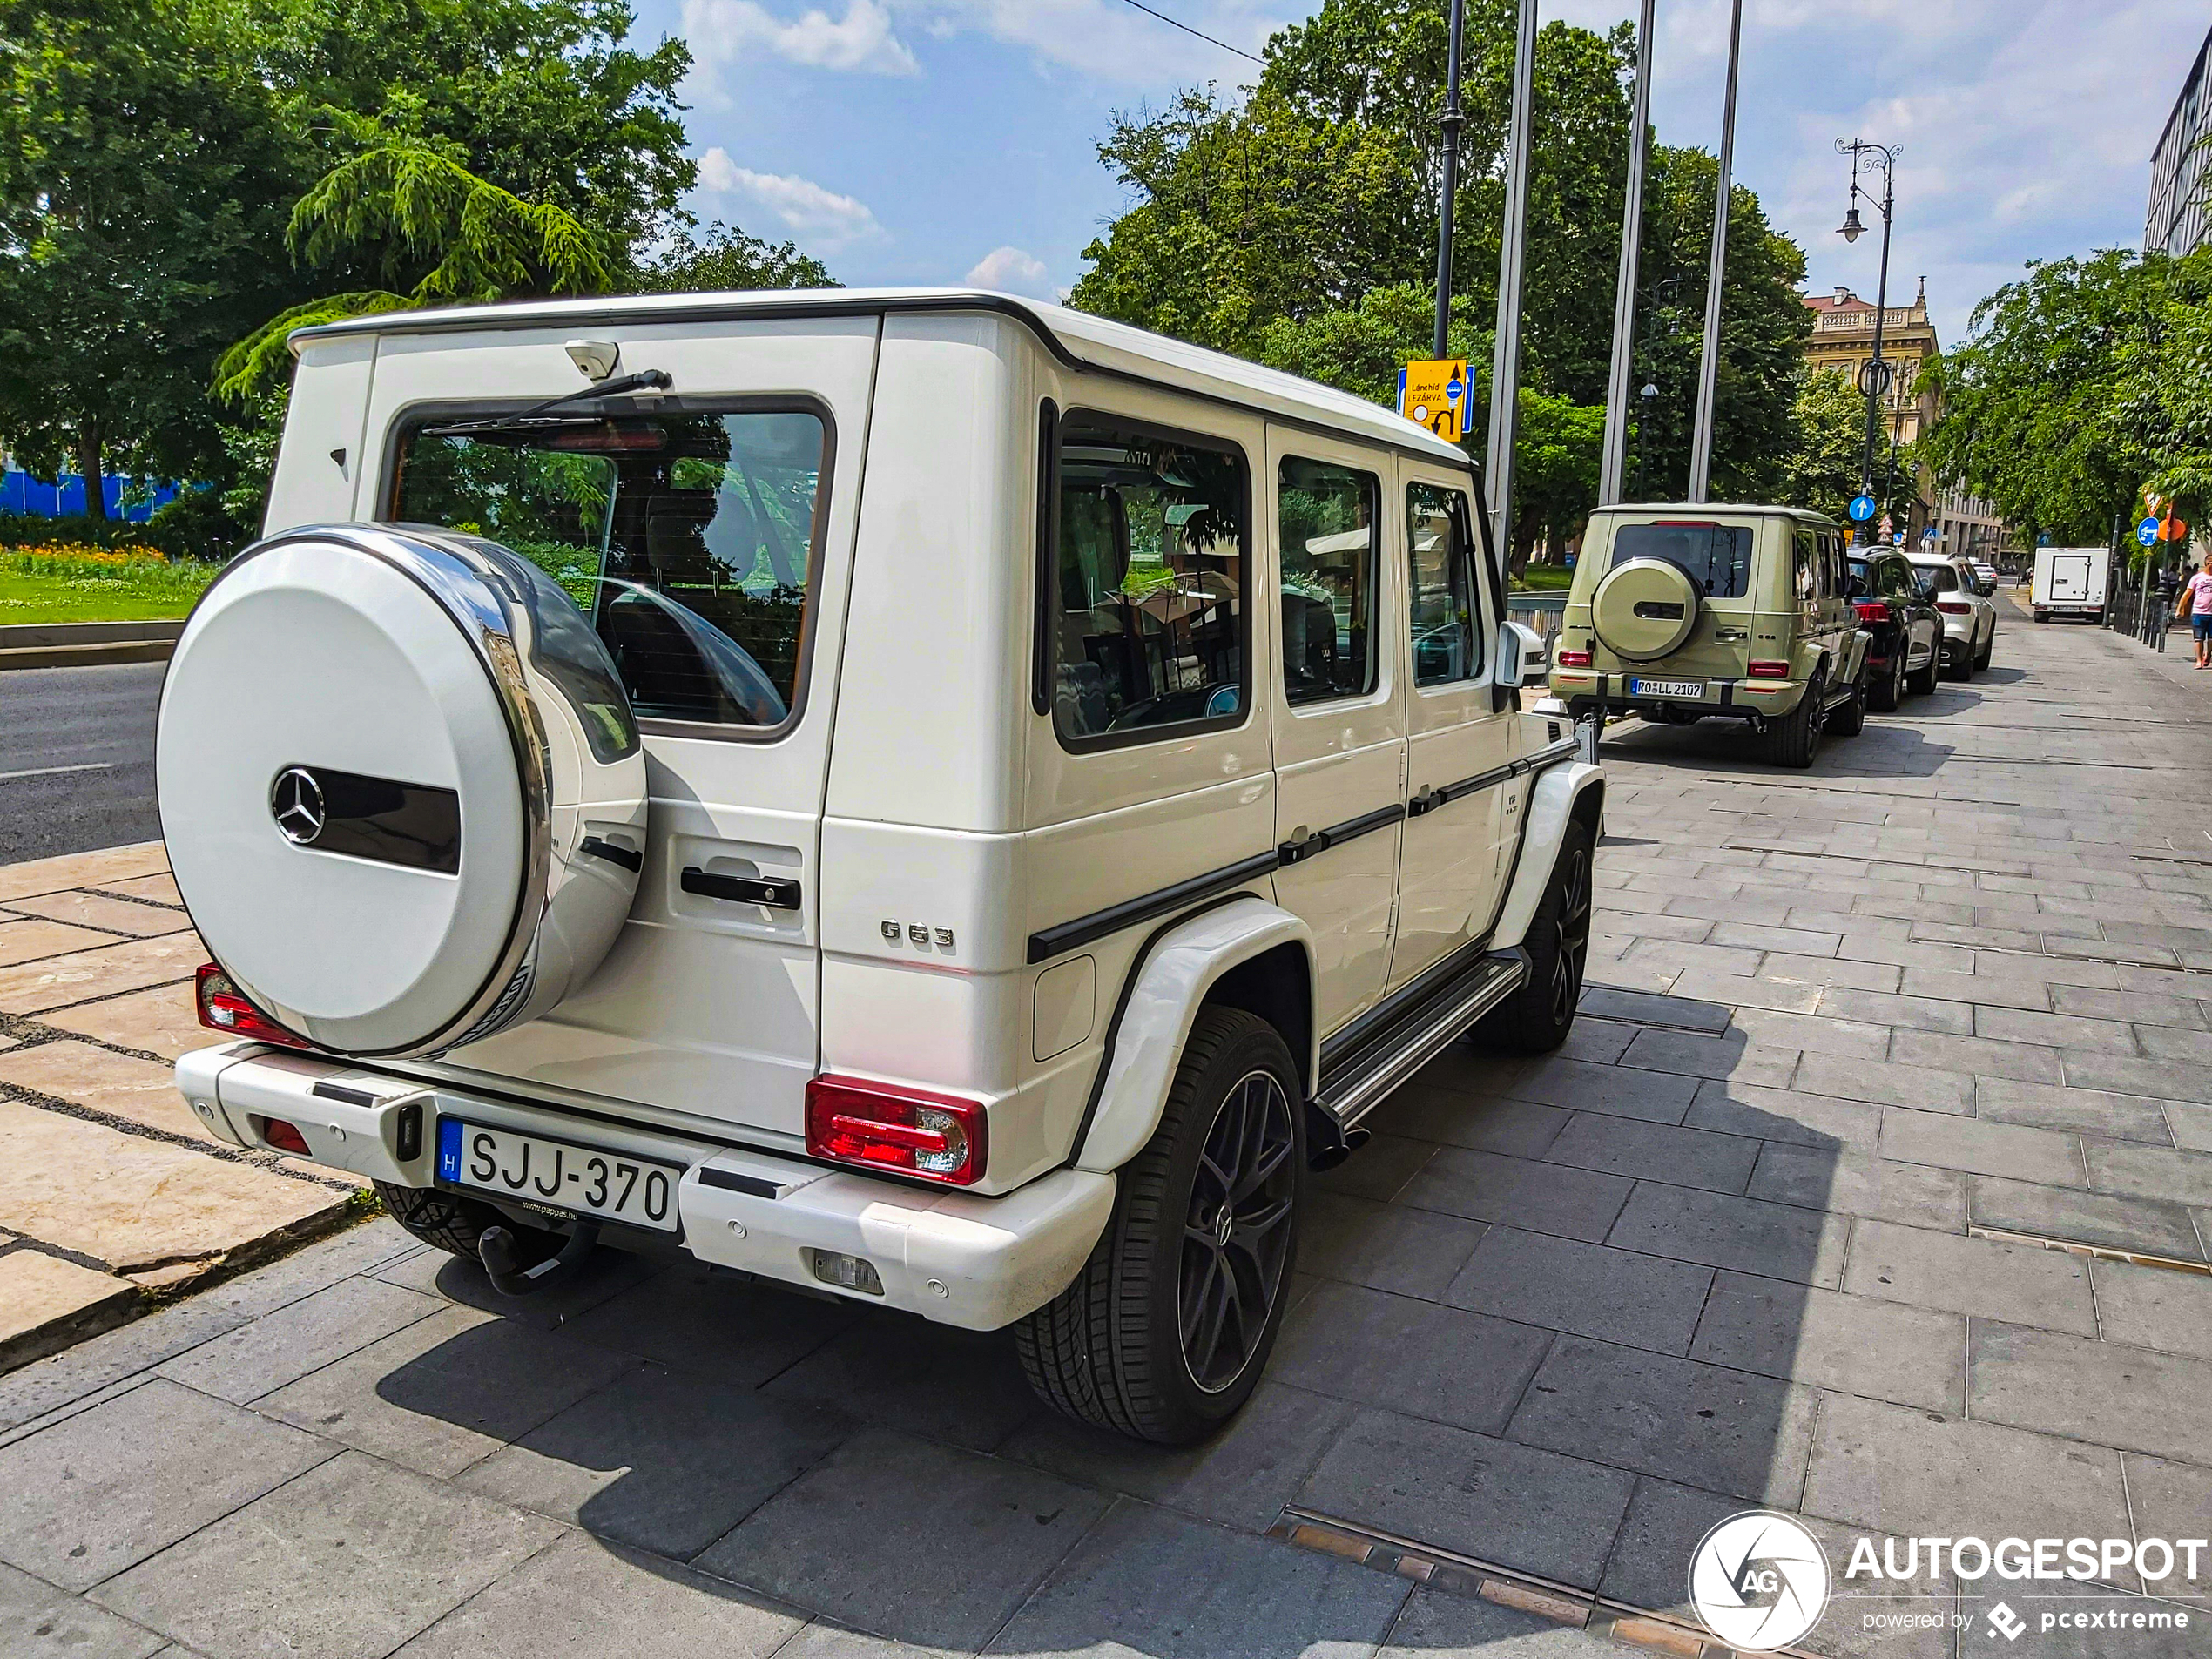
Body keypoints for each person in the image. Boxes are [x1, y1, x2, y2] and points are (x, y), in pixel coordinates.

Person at [2180, 550, 2212, 670]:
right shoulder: (2197, 578)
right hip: (2199, 612)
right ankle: (2199, 661)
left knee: (2211, 639)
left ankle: (2208, 654)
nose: (2211, 565)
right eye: (2209, 563)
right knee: (2198, 638)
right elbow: (2187, 594)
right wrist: (2180, 608)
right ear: (2206, 564)